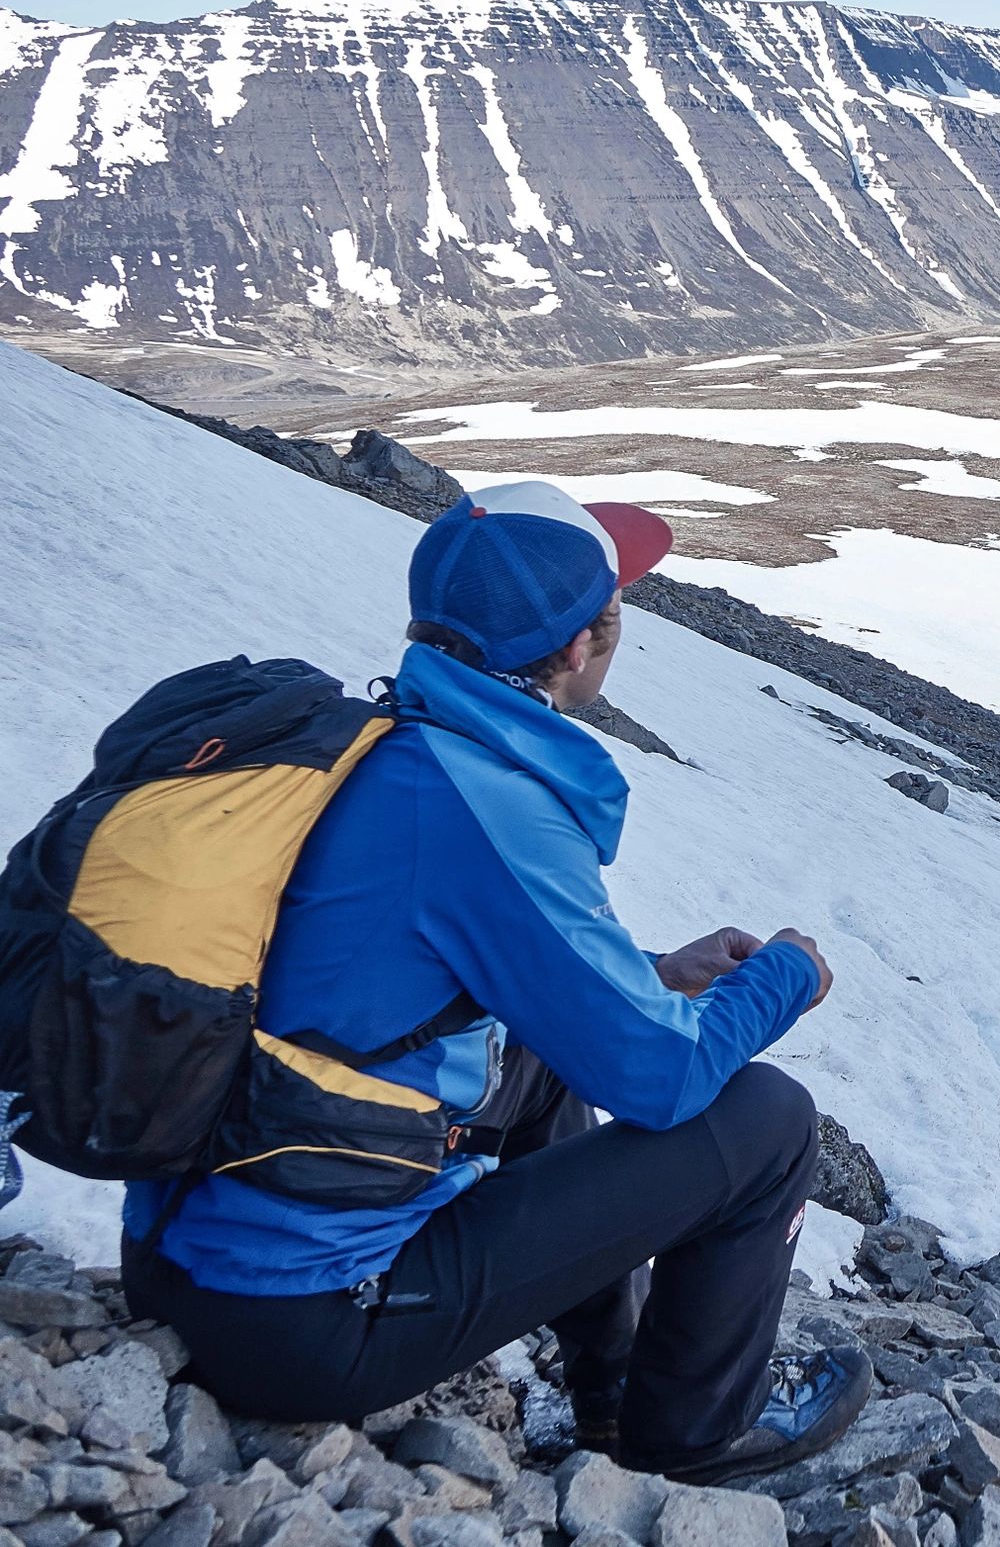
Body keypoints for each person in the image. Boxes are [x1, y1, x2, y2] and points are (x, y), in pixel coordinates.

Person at [121, 480, 871, 1483]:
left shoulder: (382, 747)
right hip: (302, 1324)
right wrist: (785, 973)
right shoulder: (490, 804)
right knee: (770, 1118)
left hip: (180, 1264)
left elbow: (400, 997)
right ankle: (696, 1433)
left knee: (548, 1059)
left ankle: (612, 1391)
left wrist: (648, 975)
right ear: (580, 647)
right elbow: (661, 1074)